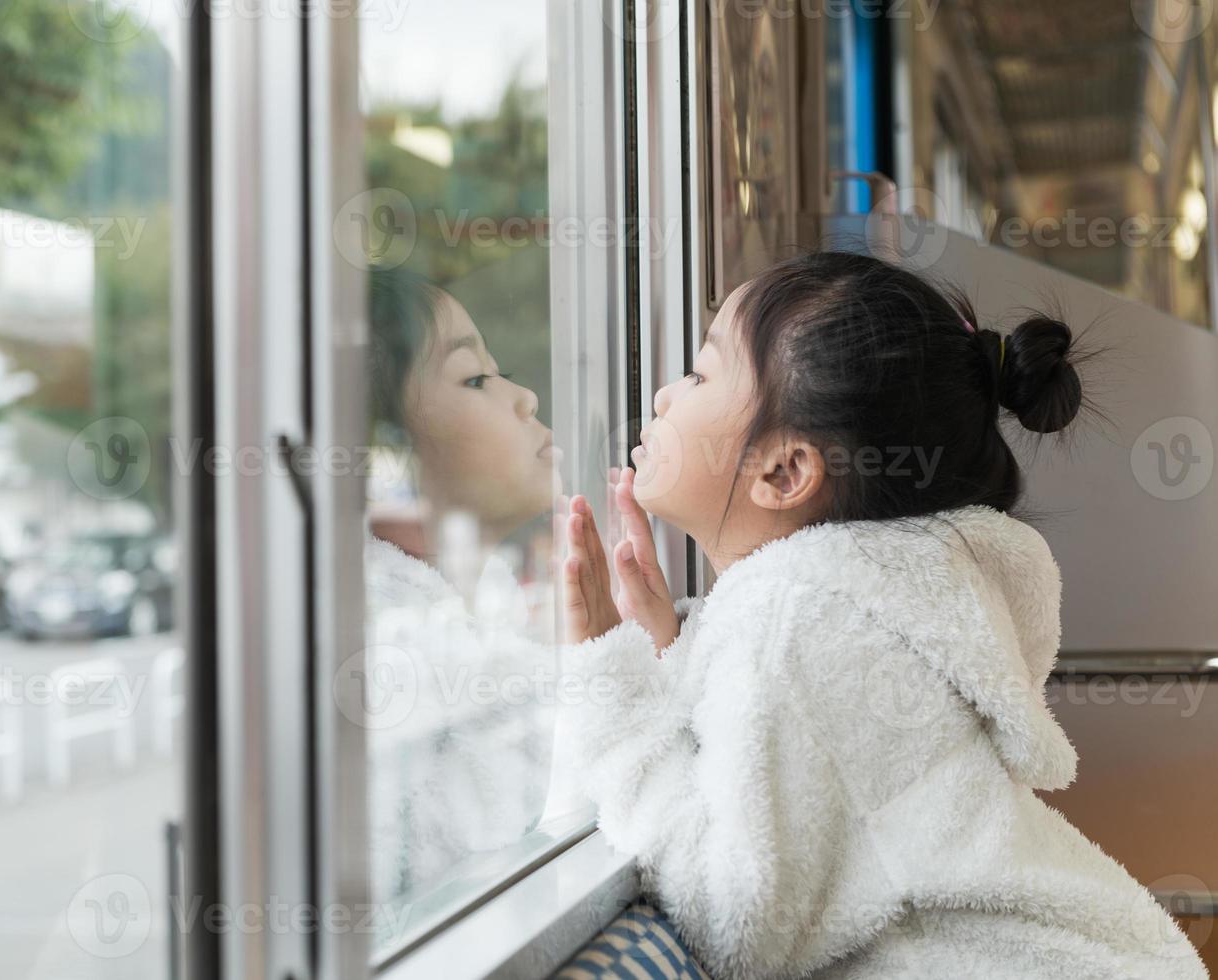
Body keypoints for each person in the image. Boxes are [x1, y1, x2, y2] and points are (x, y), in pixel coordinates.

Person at [558, 251, 1206, 979]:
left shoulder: (798, 615)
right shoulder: (845, 606)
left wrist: (612, 700)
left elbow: (734, 922)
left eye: (701, 375)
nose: (665, 396)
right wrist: (667, 650)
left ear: (783, 472)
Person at [363, 267, 560, 909]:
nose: (525, 397)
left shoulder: (486, 609)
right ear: (382, 454)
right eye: (476, 378)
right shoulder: (385, 653)